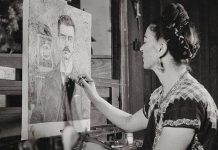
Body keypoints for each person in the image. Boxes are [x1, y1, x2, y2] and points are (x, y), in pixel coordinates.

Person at [78, 3, 218, 150]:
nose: (141, 48)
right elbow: (129, 122)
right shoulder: (162, 94)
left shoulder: (187, 100)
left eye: (145, 41)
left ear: (161, 48)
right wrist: (94, 96)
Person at [30, 15, 89, 123]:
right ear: (57, 41)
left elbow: (86, 120)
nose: (66, 43)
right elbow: (37, 115)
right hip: (50, 138)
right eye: (62, 37)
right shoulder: (48, 78)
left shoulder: (83, 81)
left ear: (74, 43)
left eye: (70, 38)